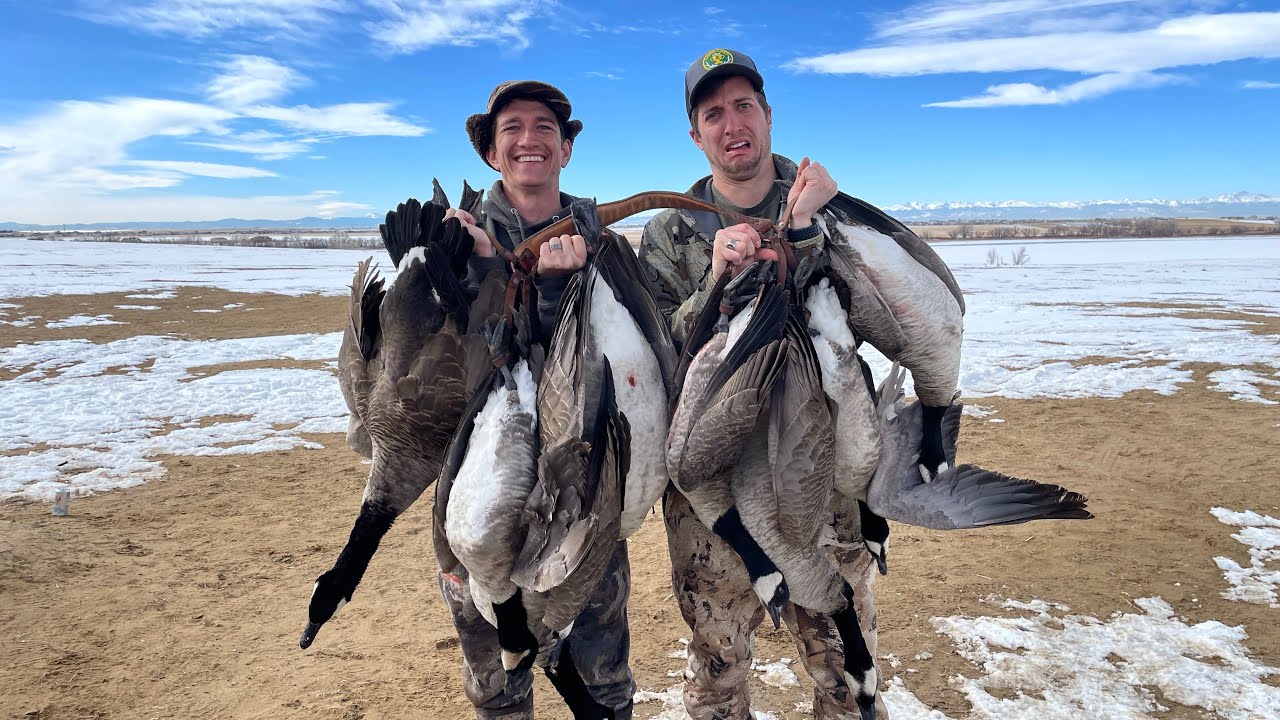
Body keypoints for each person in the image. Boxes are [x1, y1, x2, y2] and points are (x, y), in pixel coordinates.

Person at [638, 49, 890, 720]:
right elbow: (661, 357)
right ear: (697, 135)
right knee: (717, 669)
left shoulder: (832, 209)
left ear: (768, 116)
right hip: (710, 490)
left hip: (820, 475)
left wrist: (805, 236)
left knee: (848, 674)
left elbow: (870, 321)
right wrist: (715, 281)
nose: (731, 124)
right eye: (712, 113)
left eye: (743, 105)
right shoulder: (669, 232)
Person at [439, 80, 636, 720]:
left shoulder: (606, 246)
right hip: (478, 500)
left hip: (585, 494)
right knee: (498, 681)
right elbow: (445, 378)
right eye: (513, 129)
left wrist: (560, 297)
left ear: (566, 148)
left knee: (602, 671)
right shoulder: (455, 243)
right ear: (493, 154)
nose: (530, 140)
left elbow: (629, 364)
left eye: (546, 127)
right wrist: (474, 274)